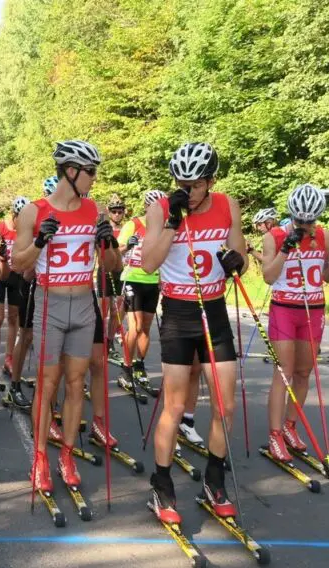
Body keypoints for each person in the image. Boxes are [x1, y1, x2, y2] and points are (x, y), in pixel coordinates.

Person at [141, 142, 247, 523]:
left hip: (214, 311)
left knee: (226, 405)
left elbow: (241, 259)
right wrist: (173, 221)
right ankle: (162, 485)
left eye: (195, 184)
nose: (187, 190)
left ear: (210, 181)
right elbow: (150, 264)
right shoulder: (161, 210)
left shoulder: (227, 205)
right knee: (173, 406)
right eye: (181, 183)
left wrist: (238, 261)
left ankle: (214, 479)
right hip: (179, 314)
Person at [13, 141, 121, 492]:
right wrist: (41, 242)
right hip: (50, 304)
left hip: (84, 307)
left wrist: (110, 244)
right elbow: (18, 265)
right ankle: (41, 457)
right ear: (71, 171)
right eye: (91, 171)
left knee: (77, 384)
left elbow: (112, 269)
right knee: (47, 384)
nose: (94, 178)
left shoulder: (95, 211)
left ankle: (67, 454)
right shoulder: (34, 211)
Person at [261, 184, 329, 461]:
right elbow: (268, 277)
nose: (306, 226)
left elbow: (327, 276)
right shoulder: (275, 236)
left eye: (311, 221)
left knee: (303, 372)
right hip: (284, 309)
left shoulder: (323, 235)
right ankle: (275, 433)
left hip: (313, 311)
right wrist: (286, 249)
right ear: (292, 215)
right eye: (302, 221)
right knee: (285, 371)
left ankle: (291, 426)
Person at [117, 190, 165, 394]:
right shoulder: (133, 225)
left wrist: (163, 279)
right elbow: (115, 250)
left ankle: (139, 365)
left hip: (152, 281)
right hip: (133, 279)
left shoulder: (164, 228)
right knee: (134, 327)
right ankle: (126, 367)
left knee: (146, 327)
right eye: (154, 207)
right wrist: (128, 245)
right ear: (146, 206)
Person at [3, 196, 35, 411]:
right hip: (24, 282)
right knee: (25, 336)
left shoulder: (36, 228)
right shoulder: (13, 231)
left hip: (44, 286)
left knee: (37, 338)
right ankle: (14, 385)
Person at [0, 197, 22, 379]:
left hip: (15, 275)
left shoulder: (23, 231)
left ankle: (9, 358)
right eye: (20, 219)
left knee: (13, 317)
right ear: (13, 215)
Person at [98, 194, 126, 364]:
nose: (117, 214)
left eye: (120, 211)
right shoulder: (104, 226)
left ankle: (109, 344)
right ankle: (100, 343)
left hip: (121, 272)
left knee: (117, 311)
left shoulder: (126, 228)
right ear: (108, 212)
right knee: (104, 311)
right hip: (104, 270)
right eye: (114, 211)